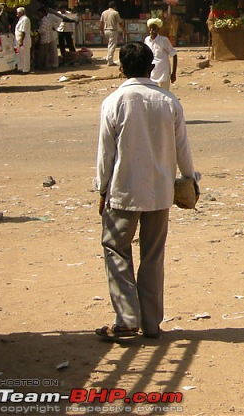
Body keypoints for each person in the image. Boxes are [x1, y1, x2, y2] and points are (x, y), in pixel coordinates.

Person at [94, 42, 197, 340]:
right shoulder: (168, 101)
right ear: (152, 68)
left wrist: (102, 190)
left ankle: (127, 319)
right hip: (160, 192)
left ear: (121, 69)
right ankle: (151, 323)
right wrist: (191, 179)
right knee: (152, 256)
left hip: (123, 191)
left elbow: (106, 155)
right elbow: (183, 148)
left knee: (116, 250)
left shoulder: (114, 102)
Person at [144, 17, 177, 90]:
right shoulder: (147, 40)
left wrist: (173, 73)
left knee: (165, 92)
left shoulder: (164, 40)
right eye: (150, 28)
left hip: (163, 72)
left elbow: (174, 55)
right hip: (151, 72)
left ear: (158, 29)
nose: (152, 30)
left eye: (154, 28)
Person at [100, 1, 125, 66]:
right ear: (115, 6)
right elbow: (120, 23)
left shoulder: (104, 12)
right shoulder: (115, 13)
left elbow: (101, 23)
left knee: (110, 45)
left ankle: (108, 58)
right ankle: (110, 61)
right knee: (112, 46)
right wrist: (124, 30)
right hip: (112, 30)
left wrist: (100, 30)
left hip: (106, 30)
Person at [14, 7, 32, 74]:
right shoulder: (21, 19)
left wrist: (21, 41)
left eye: (18, 13)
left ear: (20, 13)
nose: (17, 14)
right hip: (19, 41)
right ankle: (20, 68)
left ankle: (25, 69)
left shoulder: (25, 19)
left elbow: (23, 31)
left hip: (24, 41)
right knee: (20, 55)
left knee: (25, 56)